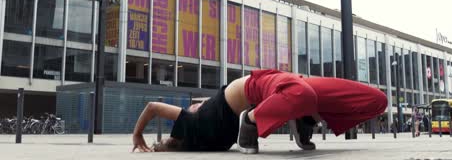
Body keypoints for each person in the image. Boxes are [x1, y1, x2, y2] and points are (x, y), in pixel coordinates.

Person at [132, 69, 387, 154]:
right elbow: (153, 107)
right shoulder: (193, 122)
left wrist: (146, 141)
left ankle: (299, 116)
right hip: (274, 89)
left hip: (266, 85)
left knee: (379, 100)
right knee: (376, 101)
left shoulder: (207, 134)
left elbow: (154, 108)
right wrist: (138, 135)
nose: (197, 105)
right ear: (179, 138)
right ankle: (302, 115)